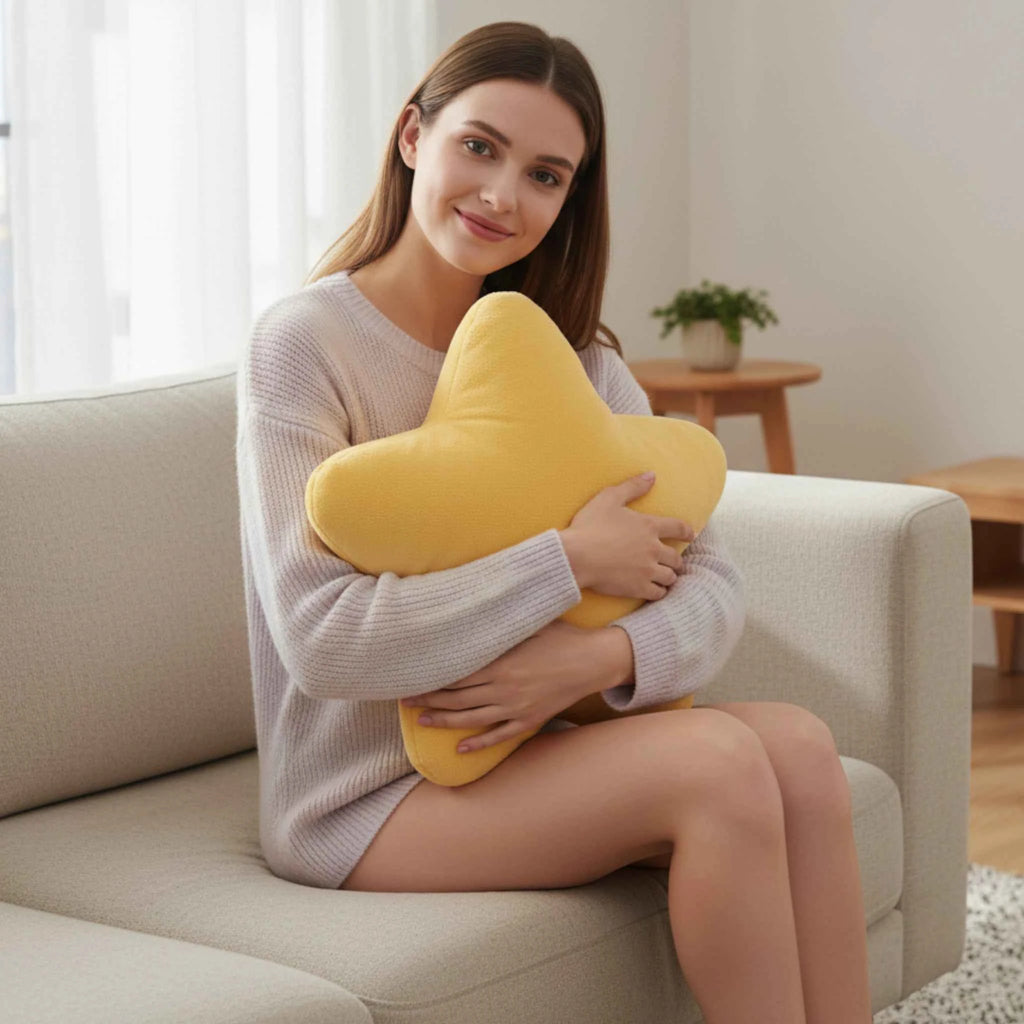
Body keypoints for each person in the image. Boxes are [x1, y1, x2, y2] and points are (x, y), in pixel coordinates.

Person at [235, 20, 873, 1024]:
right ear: (413, 138)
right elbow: (318, 638)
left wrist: (597, 659)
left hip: (541, 740)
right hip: (366, 799)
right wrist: (565, 564)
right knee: (715, 766)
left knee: (796, 745)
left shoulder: (581, 366)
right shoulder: (305, 344)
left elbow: (713, 585)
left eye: (545, 174)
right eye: (479, 147)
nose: (502, 195)